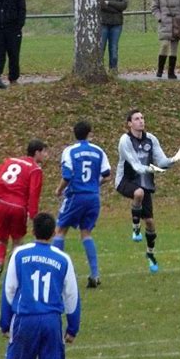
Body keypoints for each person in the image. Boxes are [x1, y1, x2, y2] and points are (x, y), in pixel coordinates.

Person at [0, 212, 80, 359]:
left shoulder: (19, 254)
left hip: (25, 318)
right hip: (51, 321)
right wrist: (72, 328)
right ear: (53, 233)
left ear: (32, 231)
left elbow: (9, 291)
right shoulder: (63, 259)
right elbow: (72, 296)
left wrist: (5, 322)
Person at [115, 109, 180, 272]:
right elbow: (135, 165)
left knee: (150, 223)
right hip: (125, 180)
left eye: (142, 118)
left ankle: (150, 253)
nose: (141, 121)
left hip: (144, 182)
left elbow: (161, 160)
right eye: (136, 118)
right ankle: (135, 227)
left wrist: (172, 160)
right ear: (129, 124)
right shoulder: (125, 140)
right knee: (138, 193)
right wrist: (153, 169)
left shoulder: (151, 139)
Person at [52, 121, 111, 288]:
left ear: (74, 134)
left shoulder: (69, 151)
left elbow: (67, 176)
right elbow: (107, 176)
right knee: (86, 233)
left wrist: (58, 190)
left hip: (75, 196)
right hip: (93, 197)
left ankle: (56, 274)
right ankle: (95, 274)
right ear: (89, 133)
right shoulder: (98, 151)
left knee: (60, 230)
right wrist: (94, 184)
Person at [0, 139, 48, 284]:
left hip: (0, 203)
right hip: (18, 207)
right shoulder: (35, 169)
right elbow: (33, 192)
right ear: (37, 152)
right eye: (44, 152)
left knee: (1, 239)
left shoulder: (10, 161)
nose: (45, 155)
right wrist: (33, 214)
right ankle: (13, 272)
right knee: (18, 241)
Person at [99, 0, 128, 74]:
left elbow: (124, 5)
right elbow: (101, 5)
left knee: (114, 48)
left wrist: (110, 3)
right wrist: (116, 9)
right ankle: (99, 69)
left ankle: (113, 69)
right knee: (101, 47)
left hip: (117, 24)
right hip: (104, 23)